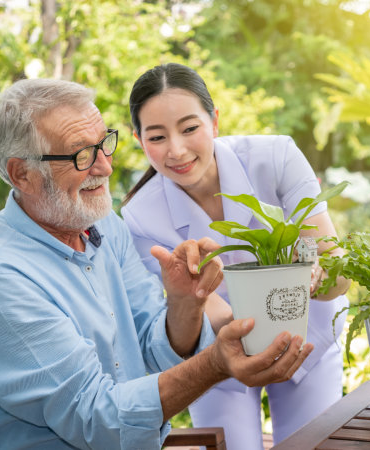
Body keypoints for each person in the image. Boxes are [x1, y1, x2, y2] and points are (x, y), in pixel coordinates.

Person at [0, 78, 314, 450]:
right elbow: (99, 421)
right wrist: (216, 364)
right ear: (22, 173)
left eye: (104, 144)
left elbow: (154, 351)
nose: (105, 167)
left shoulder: (103, 227)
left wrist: (185, 303)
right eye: (81, 156)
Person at [121, 63, 351, 450]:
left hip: (309, 337)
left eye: (190, 128)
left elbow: (337, 276)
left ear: (214, 121)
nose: (176, 150)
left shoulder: (275, 158)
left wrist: (313, 273)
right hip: (221, 355)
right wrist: (239, 341)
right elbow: (208, 312)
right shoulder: (140, 217)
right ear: (139, 140)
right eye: (157, 136)